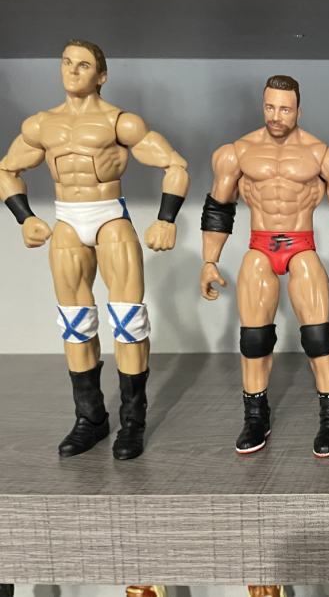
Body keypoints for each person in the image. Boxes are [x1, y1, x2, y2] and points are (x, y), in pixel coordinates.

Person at [0, 39, 189, 460]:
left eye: (83, 65)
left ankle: (132, 423)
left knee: (128, 320)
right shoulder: (41, 125)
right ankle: (90, 419)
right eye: (66, 62)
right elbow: (7, 169)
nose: (72, 70)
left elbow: (175, 165)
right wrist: (25, 217)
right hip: (67, 221)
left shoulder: (119, 122)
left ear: (101, 75)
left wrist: (166, 219)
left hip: (109, 218)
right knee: (74, 322)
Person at [200, 75, 329, 457]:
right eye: (270, 107)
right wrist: (209, 261)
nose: (276, 116)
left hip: (300, 244)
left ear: (298, 111)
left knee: (318, 335)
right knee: (253, 338)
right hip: (260, 245)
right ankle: (255, 417)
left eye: (285, 109)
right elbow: (219, 209)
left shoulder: (323, 155)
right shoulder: (236, 153)